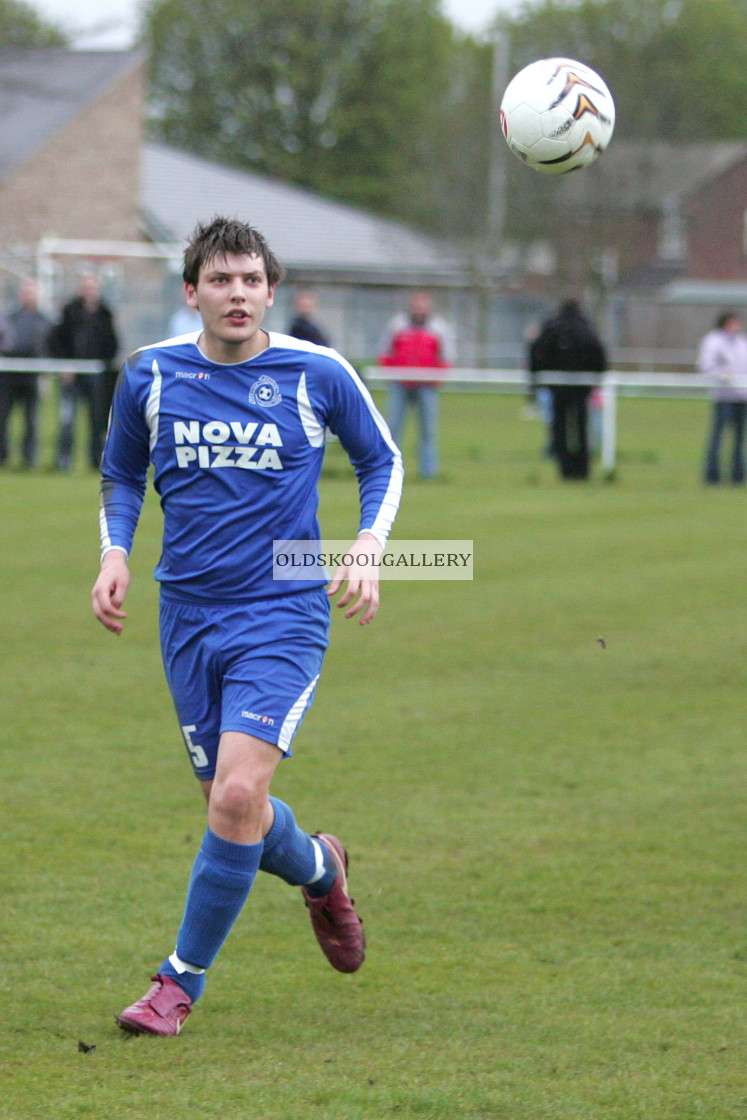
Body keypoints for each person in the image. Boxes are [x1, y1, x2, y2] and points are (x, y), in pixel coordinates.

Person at [91, 216, 403, 1037]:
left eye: (251, 280)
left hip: (284, 609)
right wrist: (113, 554)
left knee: (235, 793)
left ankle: (175, 983)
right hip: (186, 617)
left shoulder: (315, 371)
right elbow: (122, 473)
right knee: (236, 813)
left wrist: (369, 546)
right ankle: (319, 868)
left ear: (270, 290)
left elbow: (382, 459)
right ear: (191, 292)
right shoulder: (152, 376)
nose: (237, 294)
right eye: (220, 281)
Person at [529, 299, 606, 480]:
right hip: (581, 388)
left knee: (560, 428)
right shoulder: (586, 327)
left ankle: (565, 470)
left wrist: (537, 381)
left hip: (557, 387)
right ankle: (583, 470)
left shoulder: (551, 327)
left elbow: (536, 353)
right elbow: (599, 355)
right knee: (581, 428)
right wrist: (596, 380)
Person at [380, 290, 454, 480]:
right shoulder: (397, 325)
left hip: (426, 386)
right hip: (400, 385)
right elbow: (385, 352)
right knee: (393, 429)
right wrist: (390, 374)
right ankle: (391, 471)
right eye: (416, 307)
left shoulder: (439, 328)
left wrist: (437, 379)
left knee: (428, 432)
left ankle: (428, 472)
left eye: (422, 307)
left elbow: (447, 357)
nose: (419, 311)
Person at [50, 273, 119, 469]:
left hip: (96, 375)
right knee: (67, 419)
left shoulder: (105, 313)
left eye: (93, 288)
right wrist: (65, 364)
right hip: (72, 373)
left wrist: (105, 367)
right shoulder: (70, 311)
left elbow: (112, 343)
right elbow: (57, 340)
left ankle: (95, 460)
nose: (90, 291)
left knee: (97, 419)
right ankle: (64, 461)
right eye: (86, 287)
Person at [0, 278, 51, 469]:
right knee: (3, 417)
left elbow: (48, 346)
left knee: (31, 419)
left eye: (32, 292)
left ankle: (29, 458)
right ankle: (2, 456)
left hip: (33, 374)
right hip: (9, 374)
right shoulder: (9, 317)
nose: (28, 296)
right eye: (25, 292)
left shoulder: (45, 319)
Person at [699, 311, 747, 485]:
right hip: (724, 395)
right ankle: (712, 476)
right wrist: (722, 375)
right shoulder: (713, 341)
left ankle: (738, 476)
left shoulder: (742, 342)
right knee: (718, 436)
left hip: (742, 396)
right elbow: (706, 365)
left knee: (740, 439)